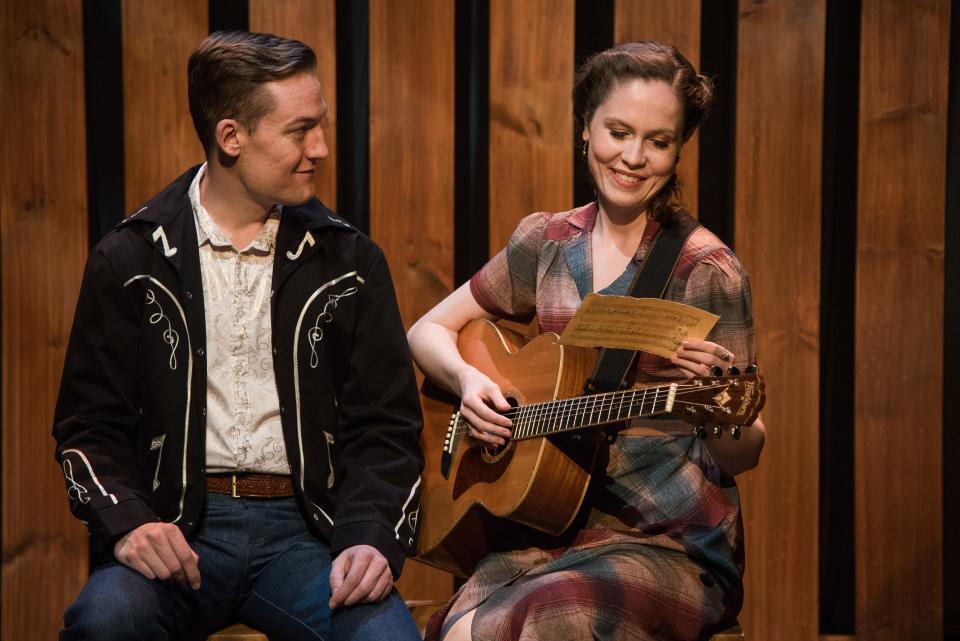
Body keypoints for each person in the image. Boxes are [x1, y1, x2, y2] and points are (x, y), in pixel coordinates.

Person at [54, 31, 423, 641]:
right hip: (179, 528)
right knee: (106, 621)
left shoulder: (349, 260)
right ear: (231, 137)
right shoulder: (130, 258)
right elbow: (87, 426)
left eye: (321, 125)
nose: (322, 148)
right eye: (300, 130)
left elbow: (387, 428)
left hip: (309, 532)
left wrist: (370, 536)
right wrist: (129, 524)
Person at [407, 41, 767, 641]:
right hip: (548, 528)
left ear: (678, 150)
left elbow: (745, 448)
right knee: (461, 630)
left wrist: (715, 413)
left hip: (667, 542)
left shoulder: (707, 270)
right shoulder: (546, 242)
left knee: (549, 618)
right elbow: (427, 330)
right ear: (585, 129)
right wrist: (471, 382)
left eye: (658, 141)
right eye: (618, 132)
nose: (633, 157)